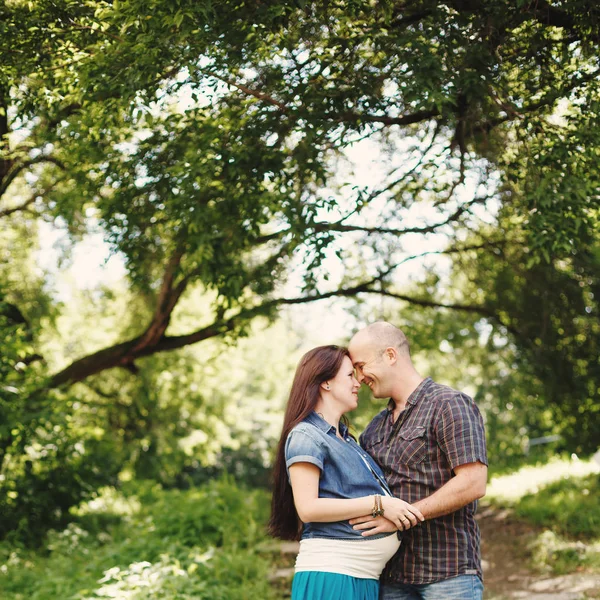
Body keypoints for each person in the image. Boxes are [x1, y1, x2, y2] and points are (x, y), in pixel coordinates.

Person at [269, 345, 425, 600]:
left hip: (362, 579)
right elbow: (308, 508)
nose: (358, 383)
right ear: (326, 383)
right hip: (334, 577)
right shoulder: (306, 435)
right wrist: (380, 504)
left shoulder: (348, 440)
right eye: (350, 375)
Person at [347, 322, 488, 600]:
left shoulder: (449, 404)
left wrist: (402, 519)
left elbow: (473, 483)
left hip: (448, 573)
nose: (360, 377)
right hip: (392, 576)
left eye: (362, 366)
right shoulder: (374, 429)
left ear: (390, 355)